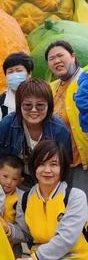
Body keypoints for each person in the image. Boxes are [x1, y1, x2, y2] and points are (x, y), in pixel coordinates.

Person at [0, 80, 72, 189]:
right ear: (19, 105)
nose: (34, 110)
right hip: (12, 186)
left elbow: (65, 169)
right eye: (27, 105)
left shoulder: (59, 130)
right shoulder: (8, 123)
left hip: (47, 186)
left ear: (49, 106)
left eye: (40, 105)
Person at [46, 40, 88, 193]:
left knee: (80, 207)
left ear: (73, 57)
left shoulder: (85, 81)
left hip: (82, 161)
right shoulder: (51, 88)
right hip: (60, 162)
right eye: (51, 59)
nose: (56, 61)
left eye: (60, 55)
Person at [0, 52, 33, 135]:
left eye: (19, 70)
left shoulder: (40, 96)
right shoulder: (0, 103)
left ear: (29, 74)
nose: (14, 75)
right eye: (10, 72)